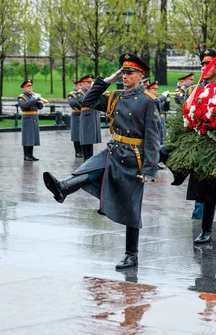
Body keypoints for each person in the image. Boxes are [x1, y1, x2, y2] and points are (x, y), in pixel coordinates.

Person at [43, 53, 160, 270]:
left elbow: (153, 136)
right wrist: (106, 80)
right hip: (114, 149)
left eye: (129, 73)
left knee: (131, 207)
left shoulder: (148, 101)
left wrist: (150, 167)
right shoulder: (116, 96)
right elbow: (88, 101)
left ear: (140, 75)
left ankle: (131, 255)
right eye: (123, 72)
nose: (125, 76)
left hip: (133, 157)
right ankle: (63, 188)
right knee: (90, 167)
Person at [171, 49, 216, 243]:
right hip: (198, 142)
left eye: (208, 65)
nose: (204, 68)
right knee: (201, 187)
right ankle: (206, 226)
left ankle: (209, 229)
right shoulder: (196, 89)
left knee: (212, 188)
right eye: (202, 65)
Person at [77, 74, 102, 161]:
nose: (90, 84)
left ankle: (90, 157)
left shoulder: (92, 91)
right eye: (88, 82)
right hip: (86, 116)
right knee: (85, 137)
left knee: (90, 138)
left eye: (91, 82)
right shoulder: (80, 93)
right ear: (83, 83)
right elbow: (83, 101)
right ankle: (86, 157)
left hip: (93, 115)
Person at [17, 79, 43, 161]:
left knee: (32, 137)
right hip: (27, 118)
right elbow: (24, 105)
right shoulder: (21, 97)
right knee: (27, 137)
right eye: (28, 87)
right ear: (24, 88)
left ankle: (31, 154)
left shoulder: (33, 96)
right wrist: (34, 99)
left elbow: (40, 107)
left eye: (31, 86)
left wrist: (39, 101)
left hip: (34, 118)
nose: (30, 88)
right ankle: (26, 155)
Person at [67, 79, 84, 158]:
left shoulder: (83, 93)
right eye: (80, 85)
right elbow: (73, 103)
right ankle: (78, 151)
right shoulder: (72, 94)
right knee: (76, 134)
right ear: (76, 85)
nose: (81, 86)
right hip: (76, 115)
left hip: (83, 115)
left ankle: (83, 150)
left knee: (83, 133)